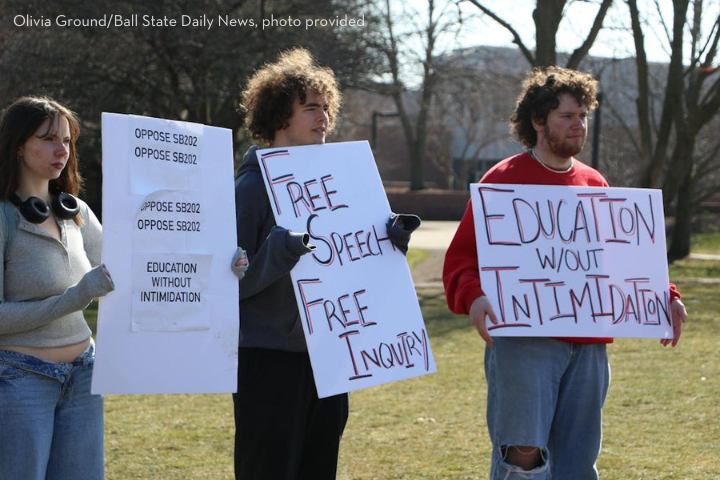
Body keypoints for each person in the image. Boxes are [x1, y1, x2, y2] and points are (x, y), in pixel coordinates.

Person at [442, 67, 688, 480]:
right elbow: (462, 259)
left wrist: (667, 296)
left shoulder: (595, 182)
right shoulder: (502, 181)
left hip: (589, 345)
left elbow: (624, 261)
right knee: (522, 455)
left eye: (583, 116)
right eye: (567, 117)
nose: (579, 126)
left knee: (578, 458)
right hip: (523, 340)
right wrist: (473, 295)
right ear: (537, 122)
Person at [233, 48, 420, 480]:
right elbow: (228, 285)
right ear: (280, 115)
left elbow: (351, 261)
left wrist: (387, 241)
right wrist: (278, 255)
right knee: (269, 468)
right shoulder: (249, 190)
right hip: (268, 359)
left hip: (331, 354)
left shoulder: (342, 182)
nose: (323, 118)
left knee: (319, 466)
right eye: (311, 108)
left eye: (326, 107)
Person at [0, 96, 115, 480]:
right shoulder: (4, 219)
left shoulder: (77, 211)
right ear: (18, 144)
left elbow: (130, 269)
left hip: (85, 375)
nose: (61, 150)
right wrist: (77, 297)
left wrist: (218, 266)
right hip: (19, 380)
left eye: (67, 140)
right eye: (48, 139)